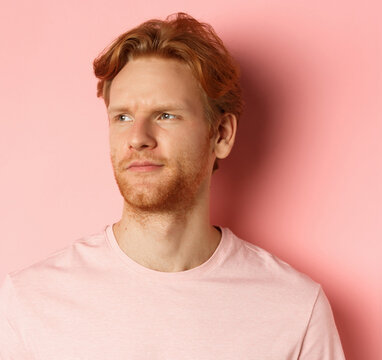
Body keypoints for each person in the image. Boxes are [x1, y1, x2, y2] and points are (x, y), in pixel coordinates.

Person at [0, 12, 345, 359]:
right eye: (123, 117)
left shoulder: (294, 310)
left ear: (221, 134)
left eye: (166, 115)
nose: (138, 138)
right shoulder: (28, 302)